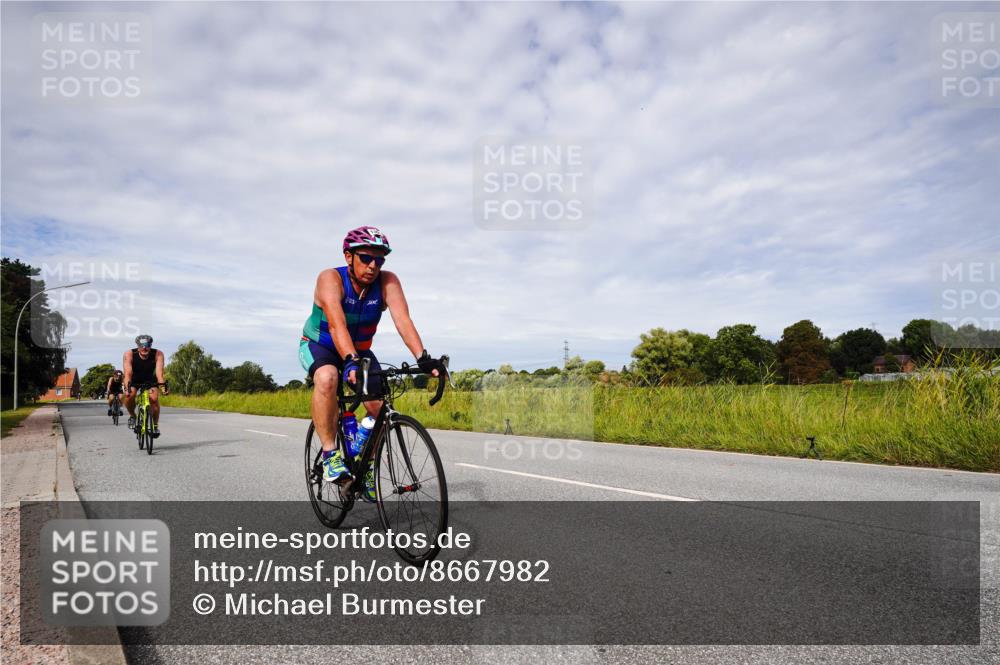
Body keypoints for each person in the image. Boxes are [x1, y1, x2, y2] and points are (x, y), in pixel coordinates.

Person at [299, 226, 437, 501]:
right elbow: (337, 326)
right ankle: (330, 455)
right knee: (327, 378)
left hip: (360, 351)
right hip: (321, 345)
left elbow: (403, 321)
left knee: (379, 409)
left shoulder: (387, 282)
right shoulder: (331, 278)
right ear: (348, 256)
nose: (373, 265)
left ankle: (366, 464)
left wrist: (422, 357)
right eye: (366, 258)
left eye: (380, 260)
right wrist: (349, 361)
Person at [123, 334, 169, 437]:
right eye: (141, 345)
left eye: (147, 345)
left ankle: (155, 426)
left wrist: (163, 387)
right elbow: (128, 373)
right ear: (138, 346)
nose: (144, 348)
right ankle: (132, 416)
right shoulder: (129, 354)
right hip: (134, 379)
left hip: (150, 380)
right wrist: (127, 388)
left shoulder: (158, 354)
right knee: (129, 395)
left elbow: (159, 374)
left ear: (151, 345)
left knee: (154, 398)